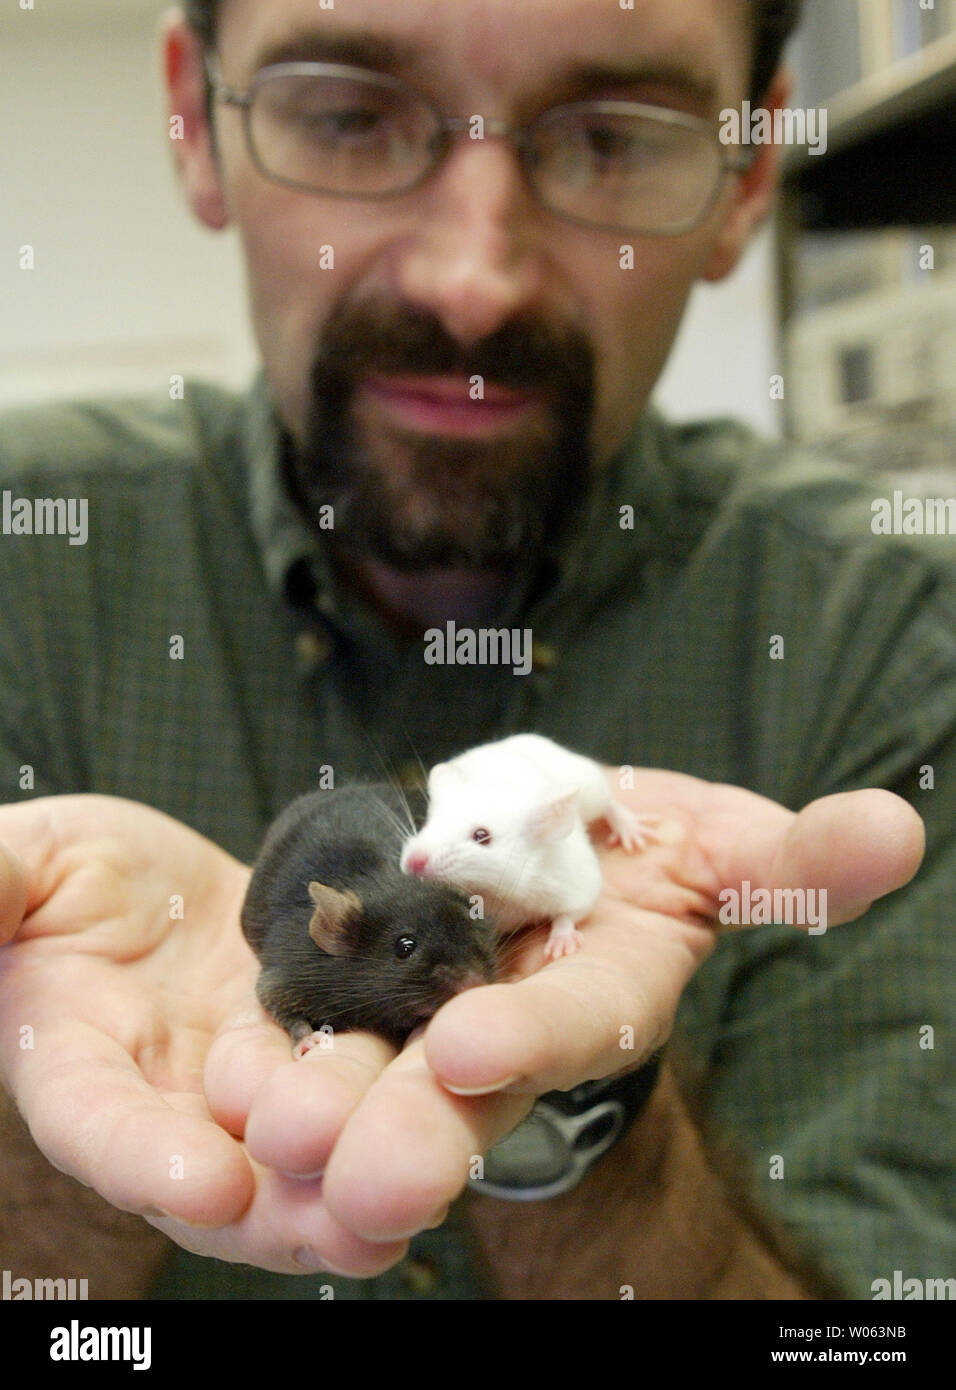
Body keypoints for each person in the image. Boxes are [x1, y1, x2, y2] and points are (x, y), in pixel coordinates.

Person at [0, 0, 951, 1301]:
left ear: (751, 171)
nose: (472, 278)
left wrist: (580, 1121)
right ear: (198, 124)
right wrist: (44, 1096)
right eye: (349, 113)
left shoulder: (901, 644)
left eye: (611, 136)